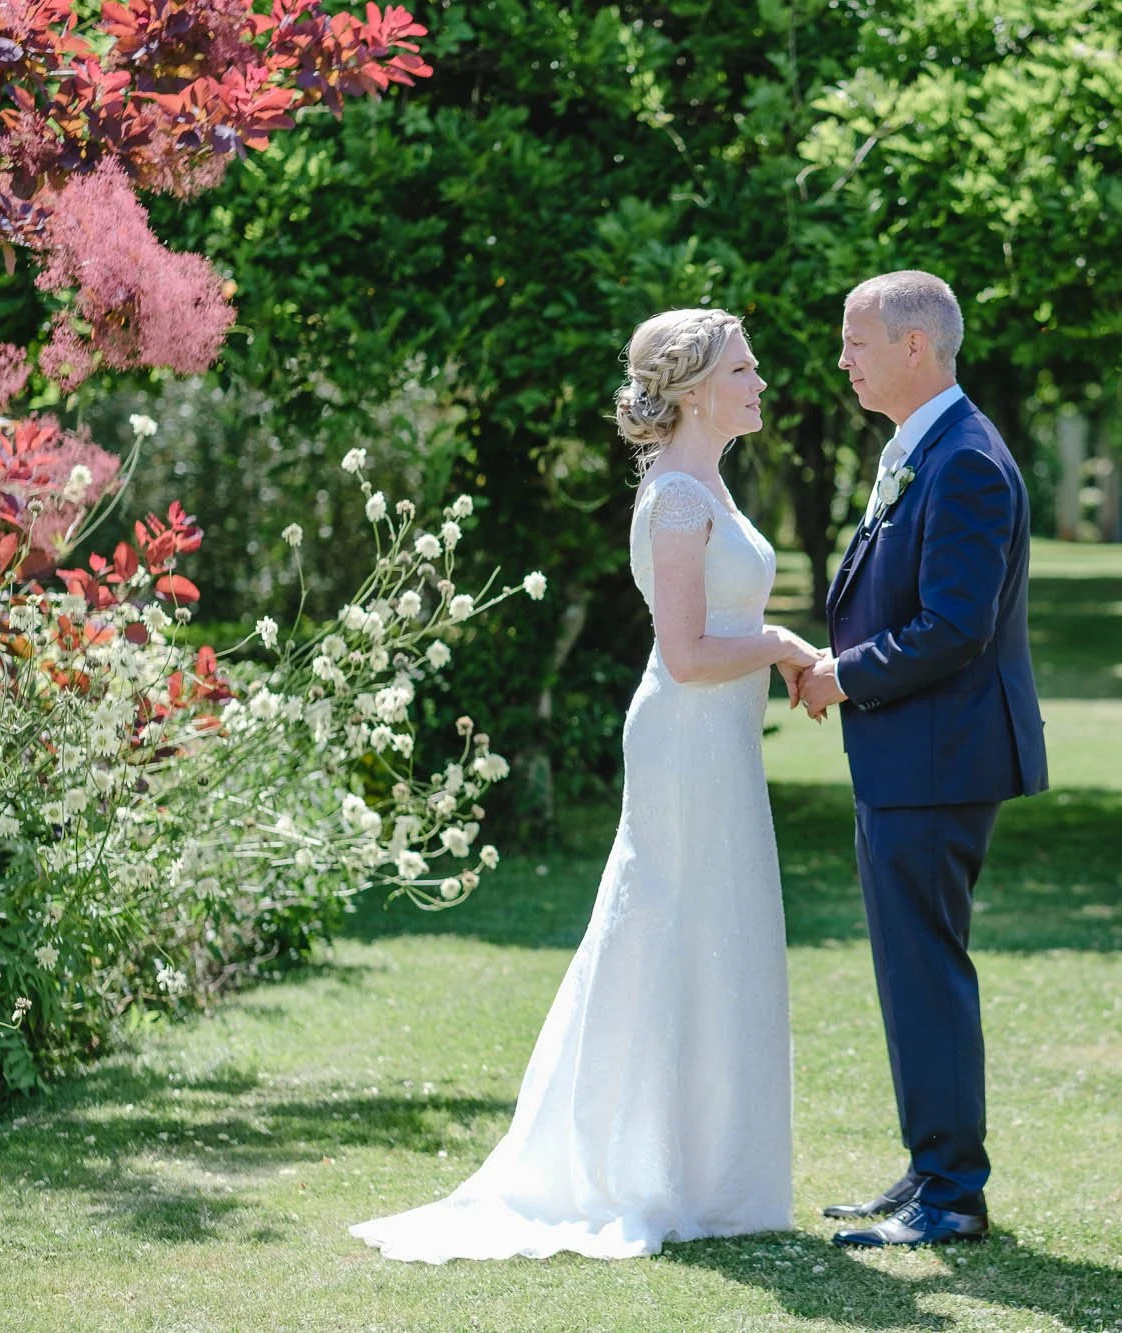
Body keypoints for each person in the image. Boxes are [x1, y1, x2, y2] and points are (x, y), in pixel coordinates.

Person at [351, 308, 819, 1261]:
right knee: (674, 924)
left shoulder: (708, 488)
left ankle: (712, 1170)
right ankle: (645, 1169)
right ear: (694, 390)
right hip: (686, 741)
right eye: (744, 367)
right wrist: (778, 645)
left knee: (719, 924)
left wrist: (775, 653)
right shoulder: (678, 501)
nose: (760, 380)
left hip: (720, 745)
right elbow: (685, 655)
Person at [796, 270, 1048, 1248]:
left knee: (926, 971)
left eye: (855, 341)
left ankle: (951, 1195)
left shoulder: (965, 461)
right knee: (908, 973)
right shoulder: (925, 448)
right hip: (910, 757)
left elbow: (953, 627)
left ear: (913, 346)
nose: (843, 359)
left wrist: (841, 677)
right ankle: (928, 1169)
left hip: (941, 758)